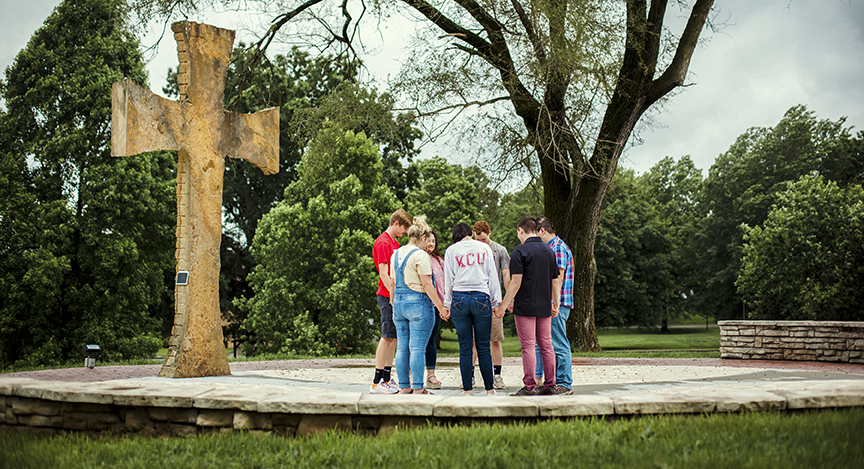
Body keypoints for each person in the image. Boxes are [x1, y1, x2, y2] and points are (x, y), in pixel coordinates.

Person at [494, 216, 559, 396]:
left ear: (521, 230)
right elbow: (555, 281)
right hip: (545, 306)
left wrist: (502, 307)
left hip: (525, 306)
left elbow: (515, 283)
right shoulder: (549, 251)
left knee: (529, 346)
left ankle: (530, 386)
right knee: (547, 345)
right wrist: (556, 303)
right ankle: (550, 384)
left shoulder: (519, 252)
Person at [390, 216, 449, 394]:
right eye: (427, 239)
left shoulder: (396, 254)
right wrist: (441, 307)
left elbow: (392, 282)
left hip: (399, 303)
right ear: (422, 237)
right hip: (418, 303)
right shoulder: (420, 255)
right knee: (417, 348)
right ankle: (417, 388)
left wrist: (394, 303)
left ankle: (404, 387)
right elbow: (427, 284)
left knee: (402, 347)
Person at [444, 223, 502, 395]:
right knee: (484, 346)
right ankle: (490, 390)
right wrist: (496, 302)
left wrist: (447, 304)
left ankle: (468, 391)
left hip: (459, 297)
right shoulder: (484, 249)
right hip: (481, 296)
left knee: (465, 348)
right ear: (470, 233)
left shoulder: (451, 251)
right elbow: (493, 276)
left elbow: (449, 279)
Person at [370, 209, 412, 394]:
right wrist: (393, 296)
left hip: (396, 295)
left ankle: (387, 377)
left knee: (394, 337)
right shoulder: (383, 243)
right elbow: (384, 274)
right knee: (386, 336)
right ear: (396, 223)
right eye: (404, 228)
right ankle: (376, 381)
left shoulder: (395, 243)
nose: (405, 233)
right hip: (387, 295)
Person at [533, 217, 575, 395]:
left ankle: (564, 383)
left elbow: (557, 279)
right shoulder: (552, 247)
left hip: (557, 303)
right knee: (547, 343)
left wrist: (552, 303)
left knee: (558, 343)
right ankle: (550, 381)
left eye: (535, 233)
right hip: (551, 303)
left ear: (542, 230)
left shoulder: (557, 248)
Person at [472, 221, 510, 389]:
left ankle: (497, 375)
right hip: (474, 299)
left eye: (483, 239)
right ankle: (470, 375)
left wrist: (508, 300)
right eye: (477, 239)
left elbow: (507, 276)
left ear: (490, 234)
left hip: (493, 300)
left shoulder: (499, 250)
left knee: (495, 339)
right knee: (473, 341)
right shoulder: (471, 250)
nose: (480, 243)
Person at [424, 229, 446, 390]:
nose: (431, 243)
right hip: (421, 305)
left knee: (431, 341)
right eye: (428, 240)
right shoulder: (417, 257)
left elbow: (445, 283)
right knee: (418, 342)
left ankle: (431, 375)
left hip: (436, 306)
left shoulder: (439, 260)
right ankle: (411, 375)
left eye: (433, 241)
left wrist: (444, 305)